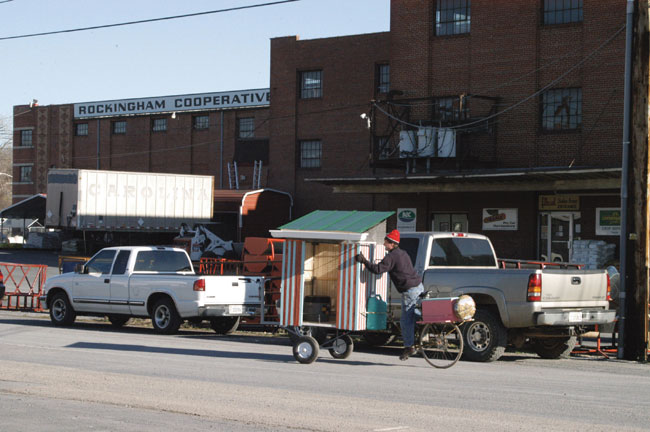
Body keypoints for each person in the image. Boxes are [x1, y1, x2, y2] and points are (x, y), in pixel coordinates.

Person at [355, 229, 424, 361]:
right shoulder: (403, 253)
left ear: (391, 244)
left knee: (405, 320)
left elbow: (378, 270)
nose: (384, 243)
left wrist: (364, 261)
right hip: (419, 286)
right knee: (414, 314)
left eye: (385, 241)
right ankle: (422, 328)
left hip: (409, 290)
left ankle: (409, 346)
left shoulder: (391, 256)